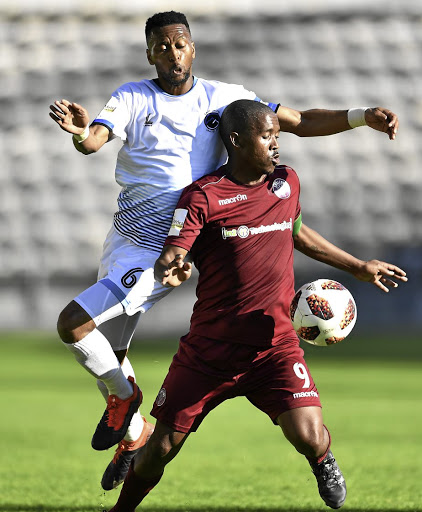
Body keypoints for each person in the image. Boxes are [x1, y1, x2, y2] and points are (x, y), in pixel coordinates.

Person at [48, 11, 400, 491]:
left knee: (75, 325)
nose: (172, 54)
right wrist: (79, 133)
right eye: (161, 46)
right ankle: (133, 432)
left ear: (193, 48)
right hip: (125, 237)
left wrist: (361, 117)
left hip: (167, 250)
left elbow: (296, 121)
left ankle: (124, 401)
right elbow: (94, 142)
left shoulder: (226, 98)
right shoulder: (133, 96)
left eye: (180, 45)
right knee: (112, 348)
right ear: (149, 52)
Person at [106, 99, 407, 512]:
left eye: (277, 137)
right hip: (209, 353)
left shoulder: (286, 183)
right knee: (161, 448)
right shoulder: (203, 197)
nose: (276, 145)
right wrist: (172, 267)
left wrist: (356, 266)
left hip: (274, 348)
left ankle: (323, 461)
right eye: (267, 137)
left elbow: (297, 233)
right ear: (236, 141)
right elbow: (175, 251)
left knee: (310, 435)